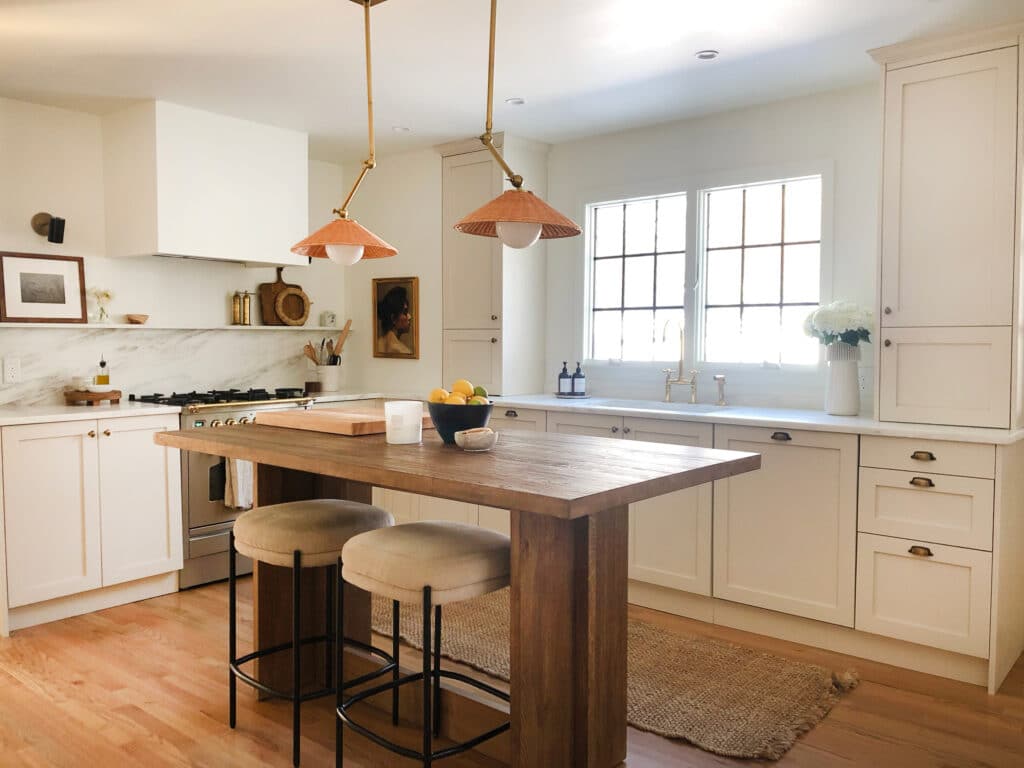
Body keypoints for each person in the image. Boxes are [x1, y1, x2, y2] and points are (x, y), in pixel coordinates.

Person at [376, 285, 413, 355]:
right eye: (405, 312)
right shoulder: (401, 351)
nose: (409, 316)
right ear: (393, 319)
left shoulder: (378, 343)